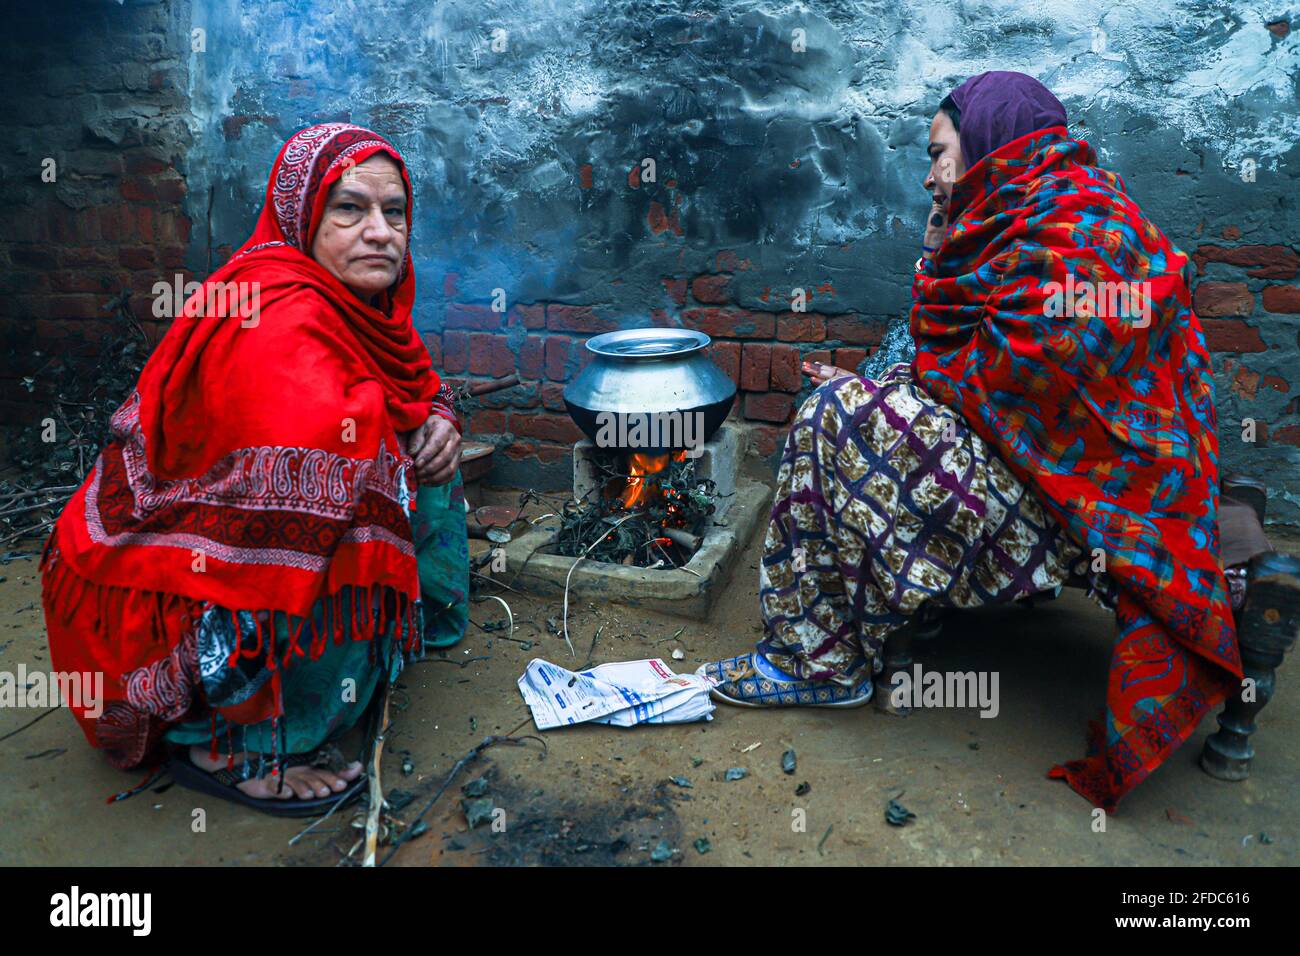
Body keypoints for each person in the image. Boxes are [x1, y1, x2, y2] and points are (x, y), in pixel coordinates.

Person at [698, 71, 1241, 811]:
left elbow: (1020, 382)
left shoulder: (1077, 232)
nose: (930, 175)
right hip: (1052, 471)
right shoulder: (1024, 217)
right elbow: (958, 351)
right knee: (847, 406)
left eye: (940, 153)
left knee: (833, 415)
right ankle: (827, 646)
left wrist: (895, 380)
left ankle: (818, 660)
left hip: (1086, 501)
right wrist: (931, 278)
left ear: (990, 143)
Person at [39, 123, 464, 815]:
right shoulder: (276, 310)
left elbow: (406, 386)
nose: (381, 232)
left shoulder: (357, 303)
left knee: (423, 452)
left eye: (396, 212)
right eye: (350, 208)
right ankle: (228, 744)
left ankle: (376, 650)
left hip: (206, 542)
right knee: (346, 501)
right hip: (162, 587)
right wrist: (404, 433)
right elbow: (284, 482)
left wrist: (438, 412)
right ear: (302, 216)